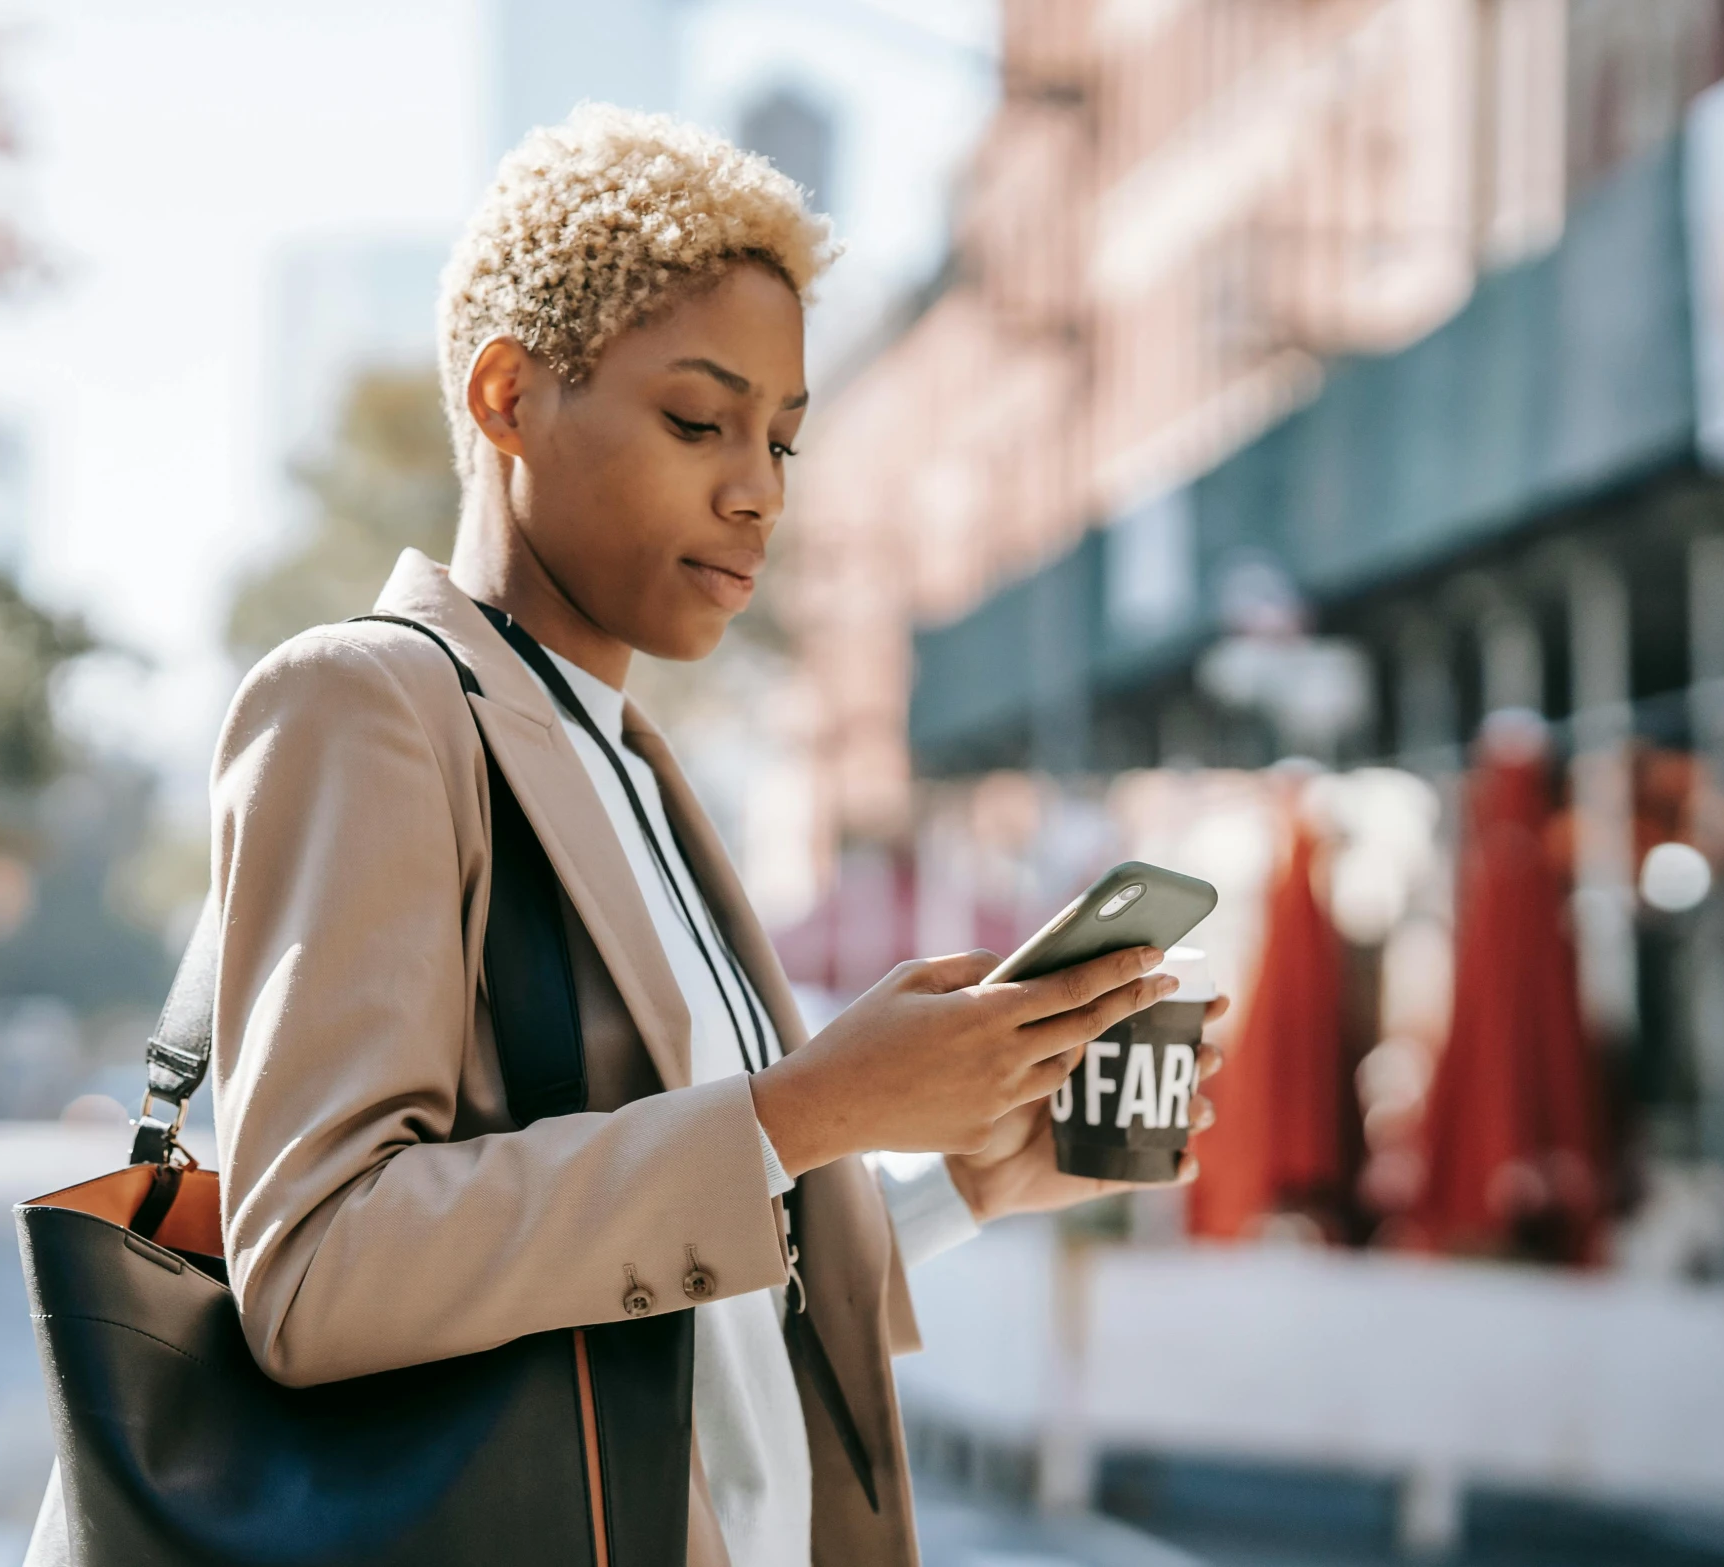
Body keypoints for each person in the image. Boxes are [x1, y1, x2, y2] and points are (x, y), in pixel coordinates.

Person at [211, 105, 1224, 1567]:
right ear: (506, 399)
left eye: (784, 438)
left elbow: (704, 1288)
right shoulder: (366, 704)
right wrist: (803, 1108)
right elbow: (316, 1270)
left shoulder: (631, 761)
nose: (756, 489)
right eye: (699, 421)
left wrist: (967, 1172)